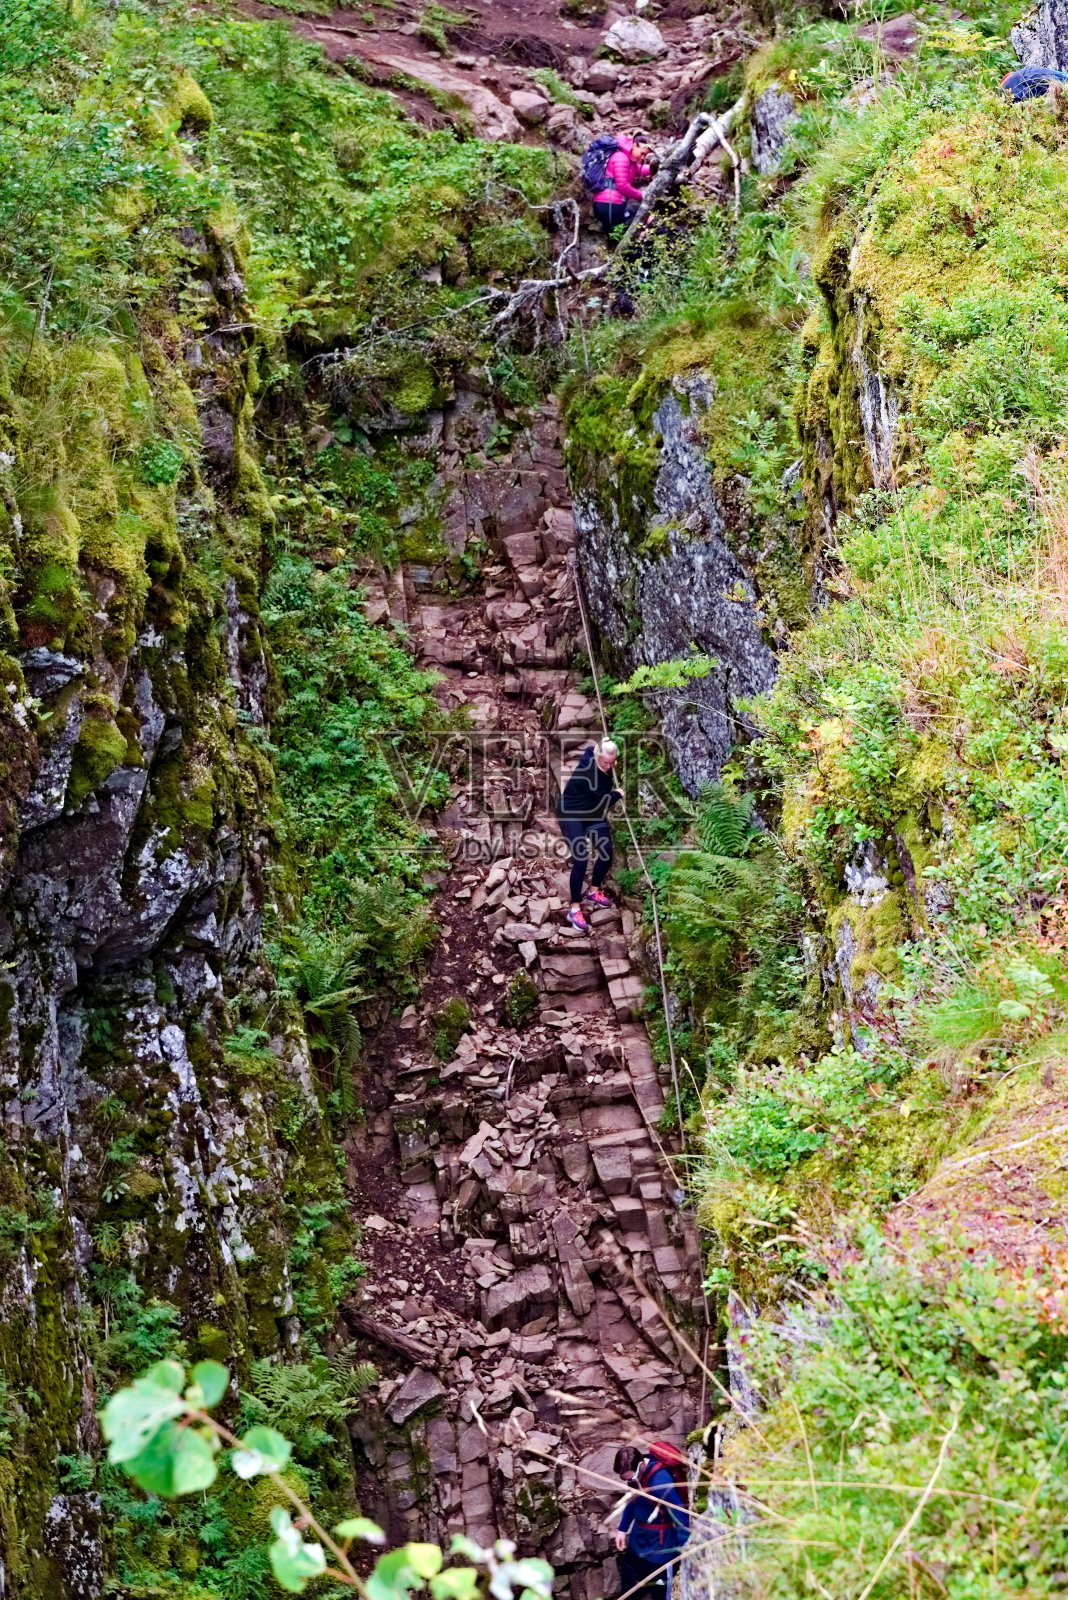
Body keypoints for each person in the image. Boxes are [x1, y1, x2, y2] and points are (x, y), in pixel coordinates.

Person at [558, 738, 623, 933]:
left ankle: (594, 891)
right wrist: (618, 793)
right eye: (605, 762)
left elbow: (589, 749)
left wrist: (602, 745)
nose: (608, 766)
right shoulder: (589, 776)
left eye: (612, 763)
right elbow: (604, 801)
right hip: (571, 813)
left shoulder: (592, 754)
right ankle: (574, 908)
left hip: (591, 814)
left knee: (606, 851)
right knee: (581, 860)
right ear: (597, 758)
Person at [614, 1441, 690, 1599]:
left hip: (660, 1550)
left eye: (632, 1477)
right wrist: (622, 1529)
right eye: (625, 1479)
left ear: (641, 1465)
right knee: (629, 1590)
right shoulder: (636, 1476)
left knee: (660, 1594)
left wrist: (683, 1549)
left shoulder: (660, 1482)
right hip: (638, 1542)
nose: (630, 1480)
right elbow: (632, 1501)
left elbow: (680, 1514)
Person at [592, 133, 652, 234]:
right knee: (642, 212)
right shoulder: (621, 158)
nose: (643, 158)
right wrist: (641, 195)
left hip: (611, 205)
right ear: (635, 145)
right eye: (642, 153)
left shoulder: (629, 160)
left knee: (616, 232)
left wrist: (655, 168)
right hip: (609, 205)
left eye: (645, 155)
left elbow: (640, 170)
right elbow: (622, 186)